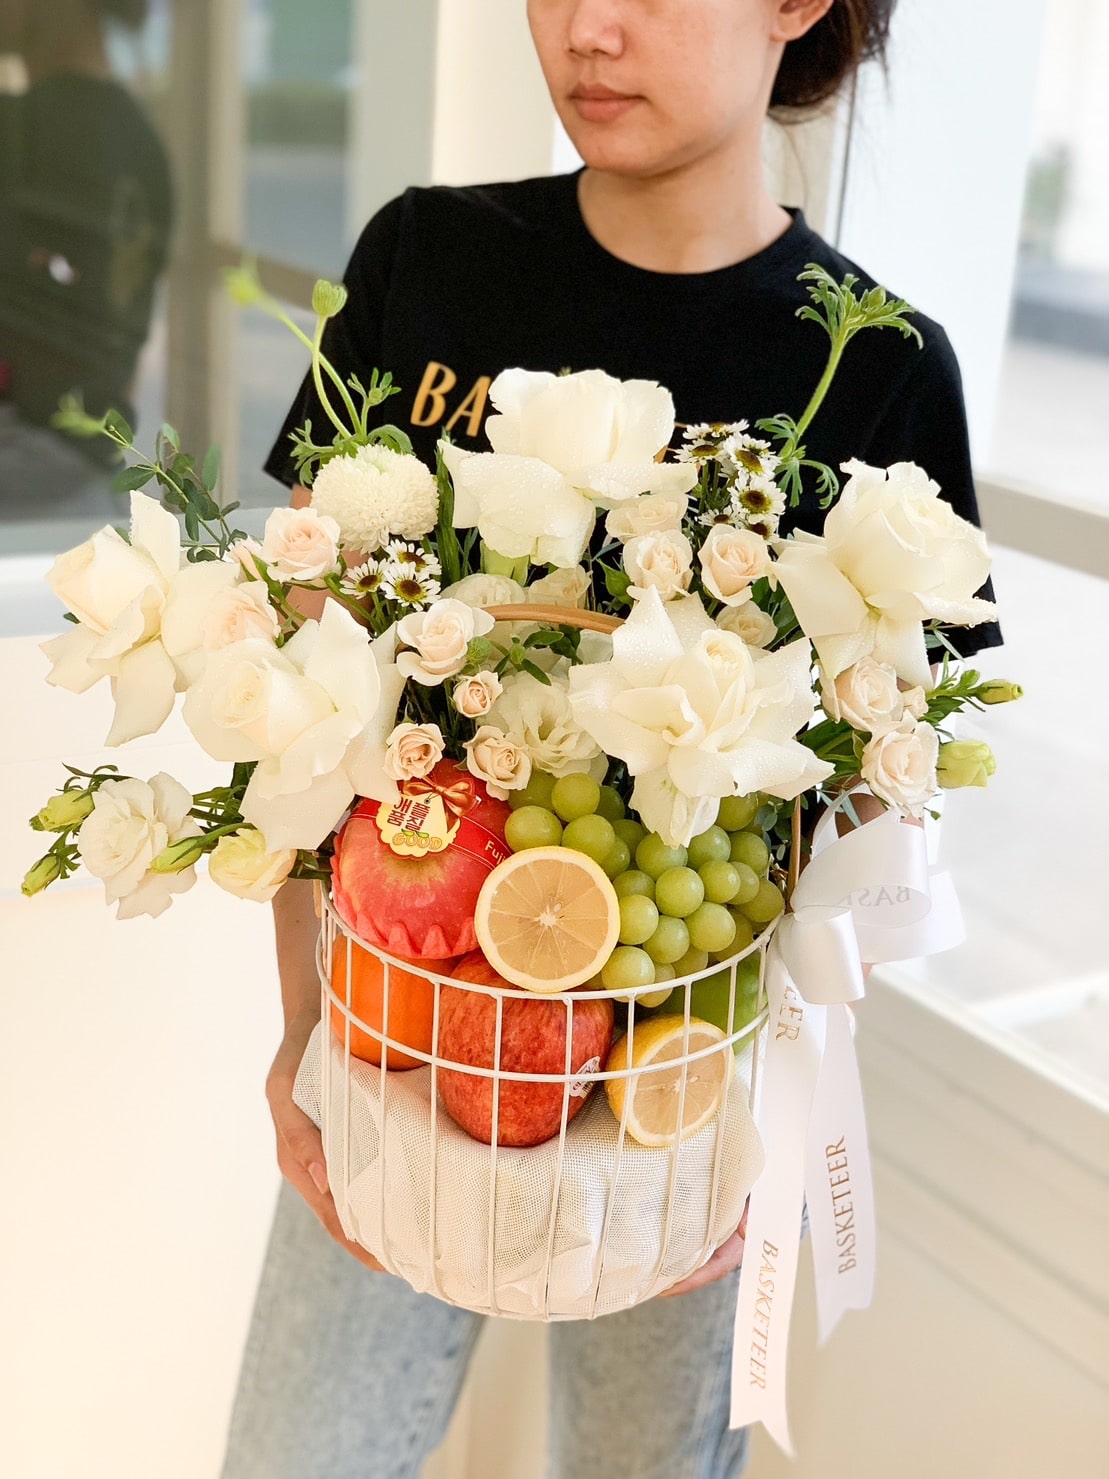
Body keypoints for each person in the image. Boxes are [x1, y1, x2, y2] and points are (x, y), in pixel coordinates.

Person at [223, 4, 1002, 1476]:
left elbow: (871, 817)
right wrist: (301, 1035)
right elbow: (302, 697)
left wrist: (774, 1123)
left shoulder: (882, 369)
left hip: (679, 1100)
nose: (587, 27)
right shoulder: (426, 260)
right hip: (395, 1059)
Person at [0, 0, 171, 516]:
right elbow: (124, 334)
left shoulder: (22, 128)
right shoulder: (142, 143)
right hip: (93, 475)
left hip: (20, 477)